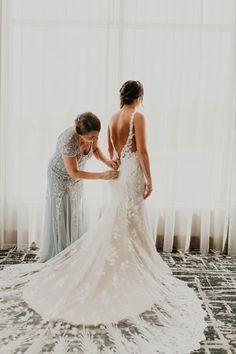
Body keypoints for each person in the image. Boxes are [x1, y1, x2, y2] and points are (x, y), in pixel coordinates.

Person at [0, 81, 207, 353]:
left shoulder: (112, 117)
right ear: (140, 97)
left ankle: (123, 255)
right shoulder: (138, 116)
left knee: (118, 218)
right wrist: (149, 178)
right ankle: (131, 261)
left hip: (119, 173)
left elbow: (107, 148)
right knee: (128, 218)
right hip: (129, 173)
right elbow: (142, 151)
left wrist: (113, 165)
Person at [38, 112, 119, 262]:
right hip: (60, 176)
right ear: (80, 133)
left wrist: (107, 162)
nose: (94, 139)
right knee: (61, 211)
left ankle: (73, 250)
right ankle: (59, 253)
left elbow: (94, 150)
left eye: (96, 136)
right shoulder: (68, 140)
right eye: (91, 137)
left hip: (77, 176)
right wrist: (102, 175)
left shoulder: (92, 133)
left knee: (74, 210)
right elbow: (73, 172)